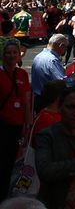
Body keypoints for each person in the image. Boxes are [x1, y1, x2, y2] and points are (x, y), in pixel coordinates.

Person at [0, 40, 32, 202]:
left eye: (15, 52)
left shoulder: (22, 74)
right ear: (3, 55)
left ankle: (3, 196)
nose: (12, 55)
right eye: (8, 52)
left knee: (9, 164)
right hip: (2, 126)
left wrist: (28, 126)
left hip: (17, 127)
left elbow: (26, 102)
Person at [31, 34, 69, 111]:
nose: (66, 50)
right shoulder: (52, 60)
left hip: (36, 97)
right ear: (61, 46)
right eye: (65, 47)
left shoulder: (38, 56)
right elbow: (62, 82)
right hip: (48, 101)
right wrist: (72, 78)